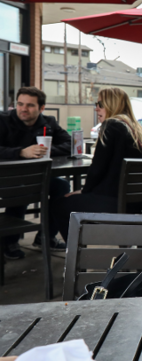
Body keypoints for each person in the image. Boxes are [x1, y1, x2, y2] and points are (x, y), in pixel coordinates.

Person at [52, 88, 142, 239]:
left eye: (100, 104)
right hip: (136, 202)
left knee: (59, 204)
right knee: (71, 199)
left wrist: (84, 191)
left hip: (115, 203)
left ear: (112, 105)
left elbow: (97, 169)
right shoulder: (136, 128)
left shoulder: (111, 125)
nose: (96, 108)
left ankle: (75, 254)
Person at [0, 87, 72, 260]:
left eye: (30, 105)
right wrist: (20, 152)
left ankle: (46, 237)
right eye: (20, 104)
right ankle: (9, 241)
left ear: (41, 108)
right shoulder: (3, 120)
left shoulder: (49, 122)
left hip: (38, 176)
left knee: (62, 185)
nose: (23, 109)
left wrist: (45, 150)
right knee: (23, 188)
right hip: (7, 178)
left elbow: (69, 143)